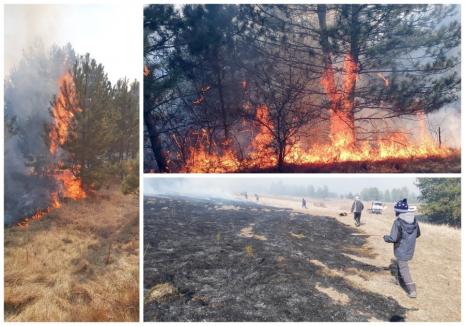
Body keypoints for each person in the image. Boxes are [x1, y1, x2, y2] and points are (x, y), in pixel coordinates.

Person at [383, 198, 421, 298]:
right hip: (410, 249)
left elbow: (393, 238)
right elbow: (417, 234)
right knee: (400, 264)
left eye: (395, 210)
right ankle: (398, 281)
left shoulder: (398, 222)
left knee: (404, 268)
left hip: (401, 249)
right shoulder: (414, 221)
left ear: (398, 211)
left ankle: (412, 290)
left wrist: (386, 238)